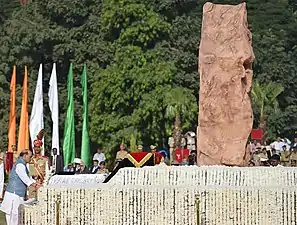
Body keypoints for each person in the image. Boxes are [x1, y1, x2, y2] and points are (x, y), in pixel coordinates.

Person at [0, 149, 40, 225]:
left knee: (16, 215)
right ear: (24, 156)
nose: (31, 158)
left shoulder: (23, 164)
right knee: (14, 215)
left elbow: (28, 177)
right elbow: (24, 177)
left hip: (16, 194)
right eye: (30, 156)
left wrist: (35, 183)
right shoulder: (20, 165)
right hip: (14, 194)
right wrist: (33, 184)